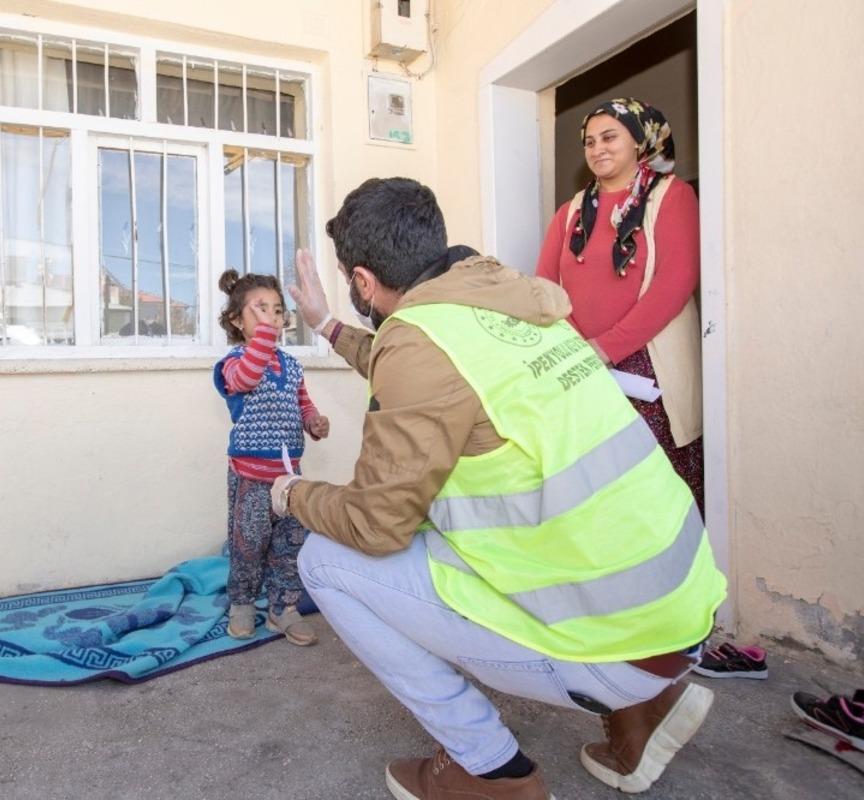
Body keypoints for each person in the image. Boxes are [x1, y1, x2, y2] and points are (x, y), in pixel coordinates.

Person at [274, 177, 726, 799]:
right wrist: (326, 326)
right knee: (447, 516)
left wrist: (293, 493)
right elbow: (418, 368)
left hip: (616, 646)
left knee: (324, 559)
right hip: (679, 617)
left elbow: (378, 525)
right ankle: (646, 711)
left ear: (362, 282)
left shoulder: (422, 341)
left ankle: (490, 772)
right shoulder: (504, 305)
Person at [536, 98, 704, 513]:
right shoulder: (570, 212)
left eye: (609, 137)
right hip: (580, 364)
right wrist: (578, 346)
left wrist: (606, 348)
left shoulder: (672, 196)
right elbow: (544, 287)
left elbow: (676, 282)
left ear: (639, 139)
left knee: (655, 496)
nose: (597, 149)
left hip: (648, 370)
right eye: (589, 142)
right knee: (596, 496)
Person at [214, 269, 329, 646]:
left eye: (277, 311)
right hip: (251, 477)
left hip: (288, 477)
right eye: (259, 310)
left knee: (290, 544)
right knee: (248, 543)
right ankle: (243, 602)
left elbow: (302, 402)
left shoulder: (292, 366)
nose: (271, 318)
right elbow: (246, 379)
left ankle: (283, 607)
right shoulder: (233, 362)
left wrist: (313, 420)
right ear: (236, 321)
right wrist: (264, 336)